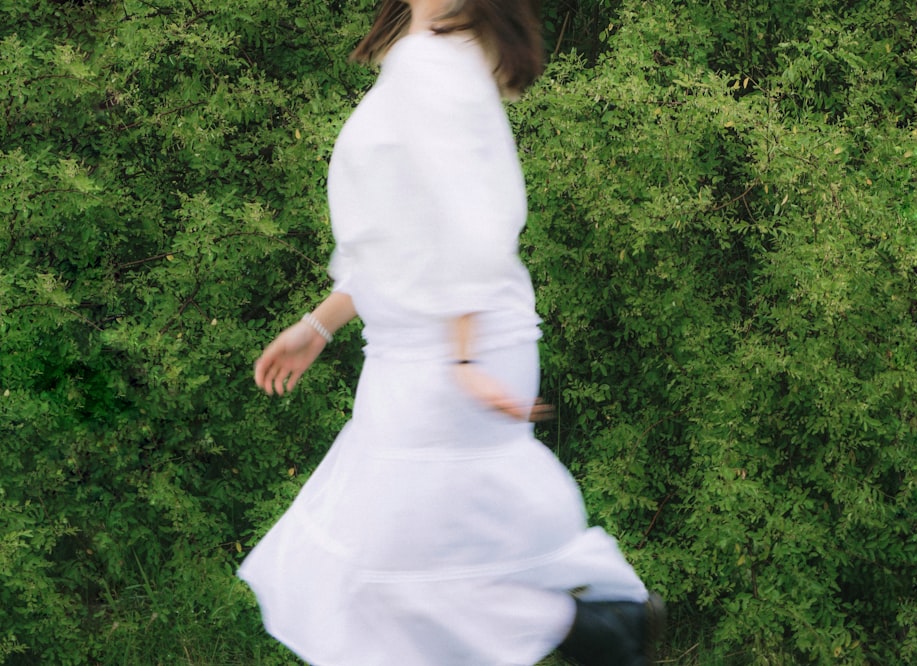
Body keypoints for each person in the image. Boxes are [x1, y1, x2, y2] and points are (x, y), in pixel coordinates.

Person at [238, 0, 664, 664]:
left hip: (450, 350)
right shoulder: (429, 56)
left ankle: (595, 626)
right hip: (416, 347)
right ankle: (593, 621)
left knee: (389, 571)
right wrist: (319, 325)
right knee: (385, 561)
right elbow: (400, 234)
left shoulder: (432, 61)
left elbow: (469, 216)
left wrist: (461, 357)